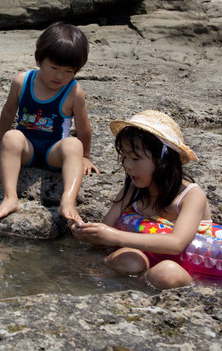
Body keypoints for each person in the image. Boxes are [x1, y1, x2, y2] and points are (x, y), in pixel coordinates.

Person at [71, 110, 210, 290]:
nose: (127, 165)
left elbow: (177, 244)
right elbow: (103, 235)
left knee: (165, 273)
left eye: (135, 158)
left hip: (183, 268)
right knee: (126, 260)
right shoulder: (132, 190)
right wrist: (87, 232)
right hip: (142, 259)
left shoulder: (191, 195)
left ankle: (143, 282)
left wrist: (115, 236)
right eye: (125, 157)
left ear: (163, 160)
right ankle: (139, 283)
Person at [0, 21, 98, 223]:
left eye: (68, 71)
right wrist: (0, 145)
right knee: (12, 137)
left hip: (53, 152)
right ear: (39, 60)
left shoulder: (73, 91)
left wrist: (86, 156)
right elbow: (8, 112)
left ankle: (68, 201)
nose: (59, 76)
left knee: (74, 144)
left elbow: (83, 128)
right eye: (54, 67)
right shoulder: (22, 81)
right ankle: (11, 198)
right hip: (25, 150)